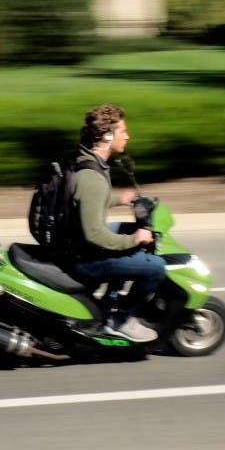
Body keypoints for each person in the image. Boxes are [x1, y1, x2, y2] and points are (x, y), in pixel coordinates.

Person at [65, 104, 165, 343]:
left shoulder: (88, 161)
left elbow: (90, 202)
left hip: (76, 242)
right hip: (85, 258)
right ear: (107, 136)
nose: (127, 136)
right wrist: (134, 240)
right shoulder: (92, 178)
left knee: (125, 229)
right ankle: (121, 318)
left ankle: (110, 300)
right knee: (155, 267)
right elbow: (95, 235)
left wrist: (119, 199)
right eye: (123, 131)